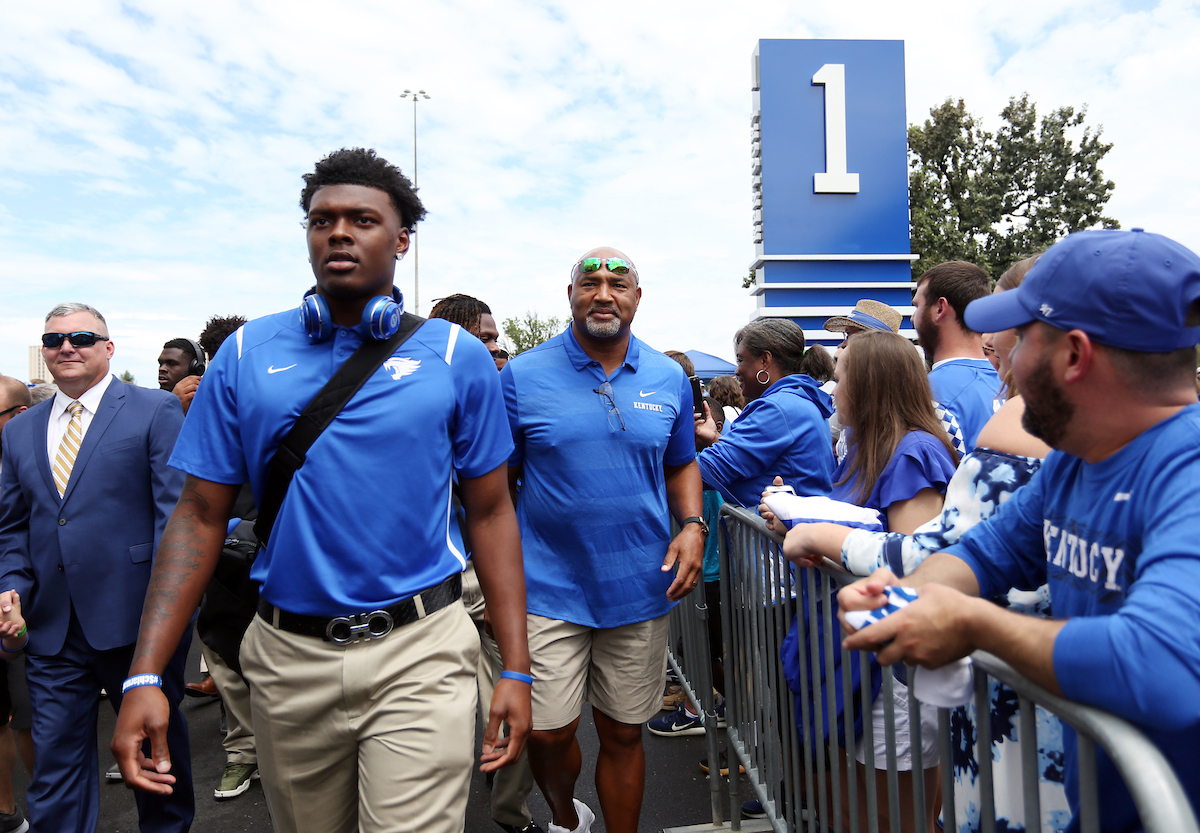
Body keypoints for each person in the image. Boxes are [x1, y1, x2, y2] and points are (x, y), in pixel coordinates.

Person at [111, 147, 532, 833]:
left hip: (421, 650)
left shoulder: (457, 357)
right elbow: (197, 515)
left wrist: (516, 666)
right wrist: (144, 673)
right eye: (321, 219)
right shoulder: (246, 354)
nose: (338, 232)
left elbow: (490, 510)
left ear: (400, 240)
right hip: (285, 657)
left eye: (362, 219)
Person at [837, 228, 1200, 832]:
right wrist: (909, 600)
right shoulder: (1075, 460)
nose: (996, 358)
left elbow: (1161, 667)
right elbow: (985, 552)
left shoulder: (1186, 470)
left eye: (1020, 336)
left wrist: (971, 625)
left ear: (1075, 356)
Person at [779, 256, 1072, 832]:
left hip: (1039, 742)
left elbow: (1157, 655)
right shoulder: (1061, 456)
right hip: (1003, 727)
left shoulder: (1020, 434)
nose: (993, 347)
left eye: (1010, 330)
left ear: (1073, 351)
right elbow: (971, 555)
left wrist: (820, 532)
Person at [501, 246, 704, 833]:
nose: (604, 293)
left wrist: (692, 526)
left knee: (621, 731)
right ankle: (567, 816)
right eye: (589, 283)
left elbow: (680, 462)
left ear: (637, 299)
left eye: (619, 284)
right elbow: (497, 483)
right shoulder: (523, 376)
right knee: (547, 730)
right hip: (545, 587)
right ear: (570, 296)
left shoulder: (668, 377)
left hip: (640, 586)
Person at [0, 303, 193, 833]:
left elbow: (175, 523)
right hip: (51, 630)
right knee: (55, 772)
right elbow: (13, 527)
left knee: (157, 763)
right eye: (55, 339)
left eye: (82, 337)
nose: (68, 346)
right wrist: (10, 587)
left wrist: (167, 620)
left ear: (108, 348)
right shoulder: (20, 432)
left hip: (137, 626)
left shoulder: (155, 411)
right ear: (44, 350)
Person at [430, 293, 540, 833]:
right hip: (433, 586)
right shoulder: (413, 401)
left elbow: (505, 497)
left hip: (484, 573)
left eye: (497, 338)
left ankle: (511, 813)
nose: (498, 348)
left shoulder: (501, 397)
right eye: (487, 337)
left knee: (516, 694)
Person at [694, 318, 835, 508]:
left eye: (741, 360)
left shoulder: (778, 407)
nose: (736, 371)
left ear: (764, 360)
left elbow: (709, 469)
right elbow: (763, 458)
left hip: (782, 535)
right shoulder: (796, 399)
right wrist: (715, 438)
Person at [911, 261, 1000, 454]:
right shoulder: (1010, 385)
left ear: (940, 308)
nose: (913, 318)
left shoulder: (928, 394)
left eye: (917, 306)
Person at [0, 377, 32, 833]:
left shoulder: (38, 465)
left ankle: (54, 807)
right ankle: (6, 813)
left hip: (25, 614)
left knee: (28, 717)